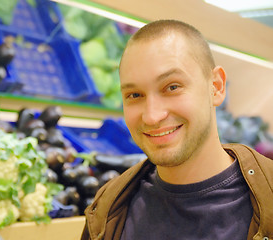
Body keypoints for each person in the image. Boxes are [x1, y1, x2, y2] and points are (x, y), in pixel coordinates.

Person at [80, 19, 273, 240]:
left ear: (216, 87)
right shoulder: (108, 208)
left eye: (172, 87)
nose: (152, 116)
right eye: (134, 95)